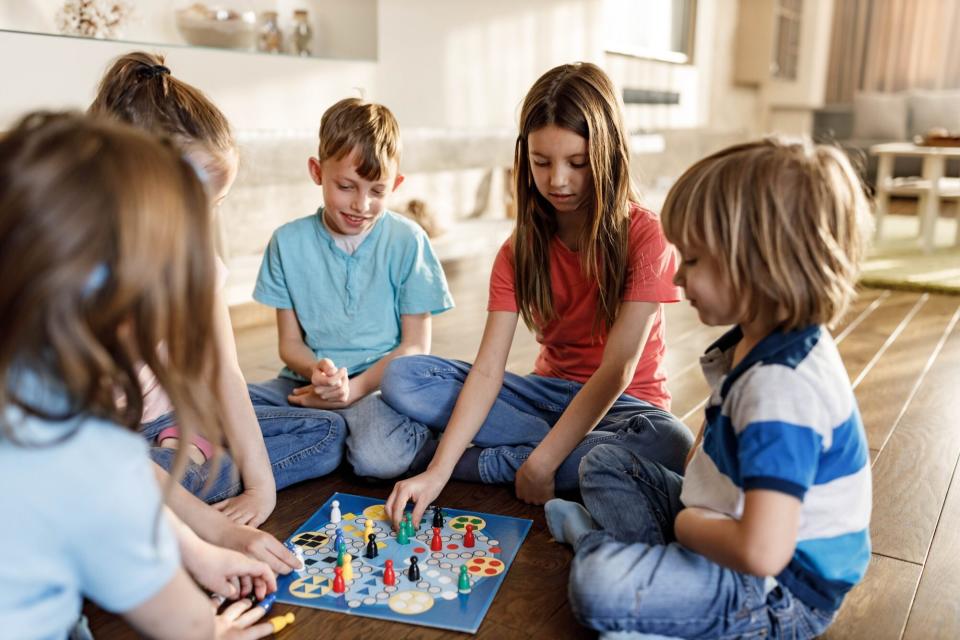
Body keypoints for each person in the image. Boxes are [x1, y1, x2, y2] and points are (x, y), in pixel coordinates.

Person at [546, 137, 873, 638]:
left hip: (776, 591)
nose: (676, 276)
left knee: (595, 584)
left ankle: (616, 561)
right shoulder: (761, 338)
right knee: (604, 462)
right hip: (721, 520)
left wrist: (684, 526)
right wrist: (691, 514)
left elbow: (763, 551)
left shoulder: (781, 392)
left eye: (694, 260)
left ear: (760, 264)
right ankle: (655, 581)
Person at [358, 62, 693, 528]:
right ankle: (520, 459)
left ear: (609, 156)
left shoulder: (645, 235)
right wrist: (435, 477)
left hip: (625, 411)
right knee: (404, 377)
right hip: (542, 401)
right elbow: (489, 369)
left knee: (669, 443)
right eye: (541, 162)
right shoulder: (517, 250)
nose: (557, 180)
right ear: (524, 158)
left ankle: (490, 463)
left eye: (577, 163)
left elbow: (618, 368)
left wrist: (540, 464)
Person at [0, 111, 277, 640]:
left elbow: (125, 484)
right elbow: (184, 624)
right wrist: (211, 630)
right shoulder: (82, 445)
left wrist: (197, 553)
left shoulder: (36, 385)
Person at [89, 51, 318, 574]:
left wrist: (262, 488)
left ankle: (191, 483)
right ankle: (187, 493)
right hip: (108, 450)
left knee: (326, 437)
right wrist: (218, 529)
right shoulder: (87, 275)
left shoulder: (199, 265)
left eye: (212, 206)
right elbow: (96, 447)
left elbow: (226, 370)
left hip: (173, 426)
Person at [248, 97, 453, 442]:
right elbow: (290, 344)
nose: (361, 205)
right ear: (317, 172)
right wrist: (318, 373)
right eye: (346, 187)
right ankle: (328, 427)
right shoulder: (286, 242)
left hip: (379, 388)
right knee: (224, 407)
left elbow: (416, 346)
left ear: (396, 184)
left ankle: (325, 429)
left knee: (381, 457)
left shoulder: (409, 241)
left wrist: (353, 389)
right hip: (306, 385)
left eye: (377, 191)